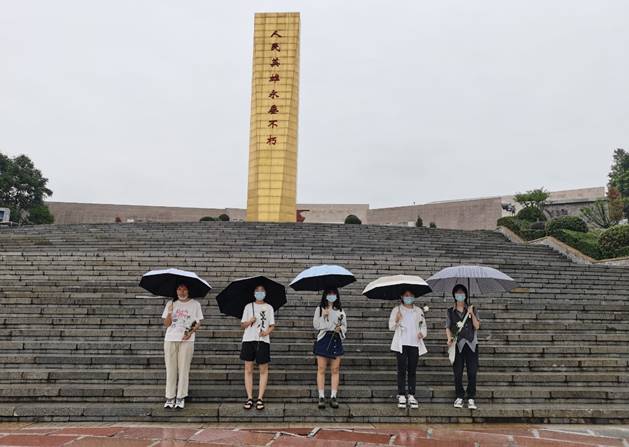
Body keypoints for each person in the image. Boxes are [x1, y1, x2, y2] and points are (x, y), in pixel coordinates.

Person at [161, 283, 204, 410]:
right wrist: (169, 313)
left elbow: (198, 322)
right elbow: (166, 324)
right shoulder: (170, 303)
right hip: (170, 338)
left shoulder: (195, 304)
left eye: (184, 289)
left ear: (188, 290)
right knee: (170, 369)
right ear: (176, 291)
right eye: (179, 289)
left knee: (184, 369)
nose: (182, 292)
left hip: (187, 340)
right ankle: (170, 397)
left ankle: (180, 397)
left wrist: (190, 332)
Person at [388, 290, 428, 409]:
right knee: (401, 369)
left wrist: (422, 333)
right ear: (402, 296)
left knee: (412, 370)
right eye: (406, 295)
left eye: (410, 295)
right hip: (401, 343)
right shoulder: (397, 310)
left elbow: (423, 326)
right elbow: (391, 326)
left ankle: (411, 394)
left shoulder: (419, 311)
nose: (408, 297)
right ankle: (401, 394)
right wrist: (397, 320)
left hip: (414, 343)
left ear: (414, 296)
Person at [445, 284, 481, 410]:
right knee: (458, 372)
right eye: (457, 293)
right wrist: (449, 338)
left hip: (471, 344)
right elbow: (448, 327)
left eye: (462, 293)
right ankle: (459, 396)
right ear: (454, 295)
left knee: (472, 371)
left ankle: (471, 397)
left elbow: (477, 326)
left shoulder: (472, 309)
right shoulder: (450, 311)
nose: (460, 295)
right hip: (458, 344)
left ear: (465, 295)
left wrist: (472, 314)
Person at [240, 285, 275, 411]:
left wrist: (266, 332)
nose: (260, 293)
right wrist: (250, 321)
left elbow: (272, 325)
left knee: (263, 370)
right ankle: (249, 397)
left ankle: (260, 398)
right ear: (254, 293)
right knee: (248, 369)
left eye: (262, 291)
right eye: (257, 291)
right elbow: (242, 325)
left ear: (265, 293)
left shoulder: (269, 307)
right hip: (248, 340)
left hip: (263, 341)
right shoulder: (248, 306)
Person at [313, 288, 347, 409]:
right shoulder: (319, 309)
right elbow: (316, 325)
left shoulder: (341, 311)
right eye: (329, 293)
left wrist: (340, 329)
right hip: (323, 339)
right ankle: (321, 396)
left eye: (334, 293)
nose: (332, 296)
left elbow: (345, 327)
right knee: (321, 369)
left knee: (335, 369)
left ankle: (333, 396)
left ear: (337, 295)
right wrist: (324, 316)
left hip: (335, 339)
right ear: (325, 295)